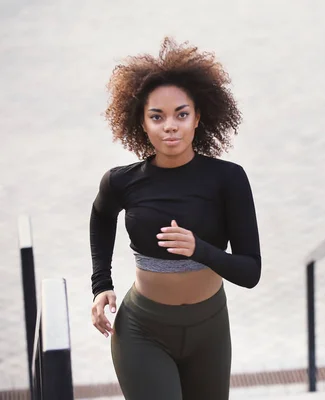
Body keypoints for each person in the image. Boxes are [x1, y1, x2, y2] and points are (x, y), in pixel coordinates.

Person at [89, 37, 261, 400]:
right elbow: (101, 216)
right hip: (142, 330)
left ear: (198, 117)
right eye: (157, 116)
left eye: (181, 114)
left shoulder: (228, 179)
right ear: (142, 122)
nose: (170, 126)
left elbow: (250, 272)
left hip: (210, 330)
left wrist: (200, 249)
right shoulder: (121, 181)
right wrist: (101, 282)